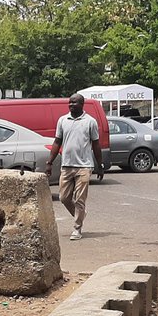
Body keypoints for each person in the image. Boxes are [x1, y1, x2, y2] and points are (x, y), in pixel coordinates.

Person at [46, 94, 104, 240]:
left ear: (82, 104)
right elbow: (57, 141)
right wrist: (50, 162)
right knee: (64, 197)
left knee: (79, 199)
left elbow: (96, 144)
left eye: (75, 102)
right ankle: (81, 214)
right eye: (70, 102)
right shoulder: (63, 120)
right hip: (67, 165)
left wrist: (100, 164)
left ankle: (77, 228)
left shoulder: (90, 122)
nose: (71, 105)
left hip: (84, 166)